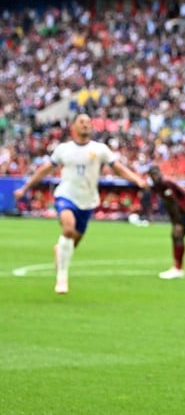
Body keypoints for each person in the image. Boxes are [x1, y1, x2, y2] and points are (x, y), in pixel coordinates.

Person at [12, 113, 147, 294]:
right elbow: (45, 169)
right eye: (81, 122)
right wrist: (25, 188)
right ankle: (62, 279)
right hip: (66, 196)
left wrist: (137, 180)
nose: (85, 125)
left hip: (87, 201)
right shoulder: (63, 149)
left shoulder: (100, 149)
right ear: (73, 127)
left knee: (72, 242)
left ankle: (60, 251)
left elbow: (118, 168)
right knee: (68, 229)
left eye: (88, 122)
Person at [147, 165, 185, 279]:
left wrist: (177, 222)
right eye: (153, 175)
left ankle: (178, 269)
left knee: (177, 234)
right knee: (176, 235)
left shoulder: (164, 184)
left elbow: (173, 203)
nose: (155, 176)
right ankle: (177, 267)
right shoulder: (160, 185)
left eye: (156, 173)